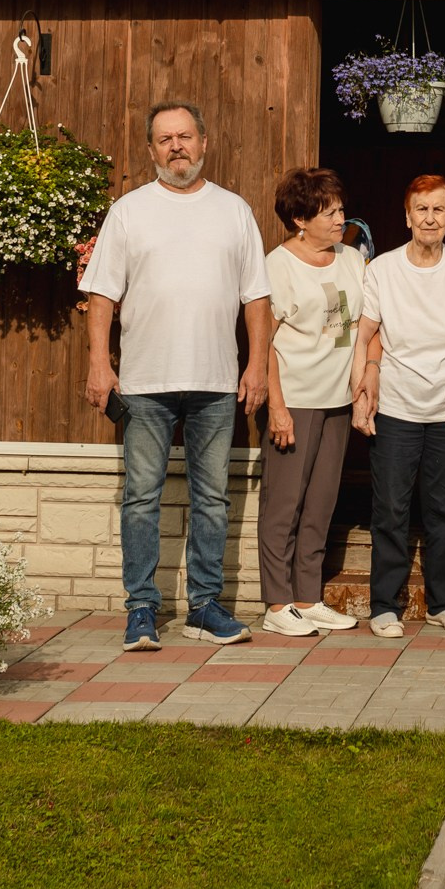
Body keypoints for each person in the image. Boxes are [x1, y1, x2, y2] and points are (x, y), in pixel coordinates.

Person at [81, 101, 271, 651]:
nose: (176, 147)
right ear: (151, 150)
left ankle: (205, 607)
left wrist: (257, 365)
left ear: (203, 142)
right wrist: (99, 363)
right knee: (141, 498)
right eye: (165, 139)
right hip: (145, 383)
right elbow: (102, 296)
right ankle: (141, 608)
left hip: (216, 381)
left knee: (212, 498)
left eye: (185, 136)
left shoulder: (234, 211)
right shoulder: (129, 211)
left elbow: (257, 298)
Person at [356, 175, 445, 639]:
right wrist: (363, 388)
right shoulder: (382, 270)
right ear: (407, 216)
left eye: (439, 210)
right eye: (422, 209)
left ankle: (443, 604)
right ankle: (384, 606)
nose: (430, 218)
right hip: (396, 406)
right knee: (390, 510)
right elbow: (366, 334)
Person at [256, 167, 368, 638]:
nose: (341, 219)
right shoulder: (277, 265)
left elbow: (361, 327)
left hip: (337, 401)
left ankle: (307, 597)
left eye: (341, 210)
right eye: (330, 213)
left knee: (321, 504)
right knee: (284, 506)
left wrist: (361, 389)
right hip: (295, 400)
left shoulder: (351, 258)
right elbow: (265, 343)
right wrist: (277, 408)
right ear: (300, 219)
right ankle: (277, 603)